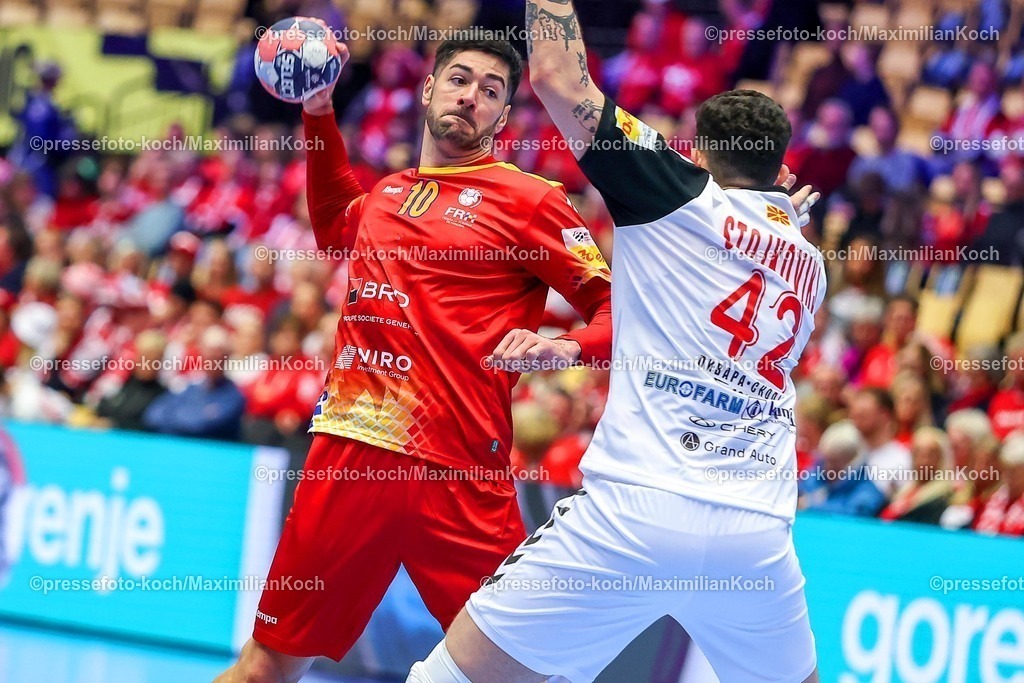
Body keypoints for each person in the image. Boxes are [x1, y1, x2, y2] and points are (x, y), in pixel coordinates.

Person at [406, 1, 824, 681]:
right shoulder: (810, 262)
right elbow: (758, 236)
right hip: (756, 535)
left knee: (449, 677)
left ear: (697, 152)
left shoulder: (677, 193)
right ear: (781, 168)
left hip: (636, 512)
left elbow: (556, 76)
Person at [216, 37, 615, 682]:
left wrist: (564, 345)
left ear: (503, 118)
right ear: (428, 89)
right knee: (266, 667)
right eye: (459, 79)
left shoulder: (531, 201)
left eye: (491, 91)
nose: (471, 96)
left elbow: (619, 310)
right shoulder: (387, 195)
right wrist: (318, 111)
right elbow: (334, 223)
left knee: (524, 674)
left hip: (462, 474)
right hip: (351, 457)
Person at [799, 420, 887, 517]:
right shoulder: (815, 475)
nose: (828, 467)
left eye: (835, 462)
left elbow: (854, 512)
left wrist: (810, 505)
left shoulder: (867, 492)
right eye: (826, 460)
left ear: (852, 462)